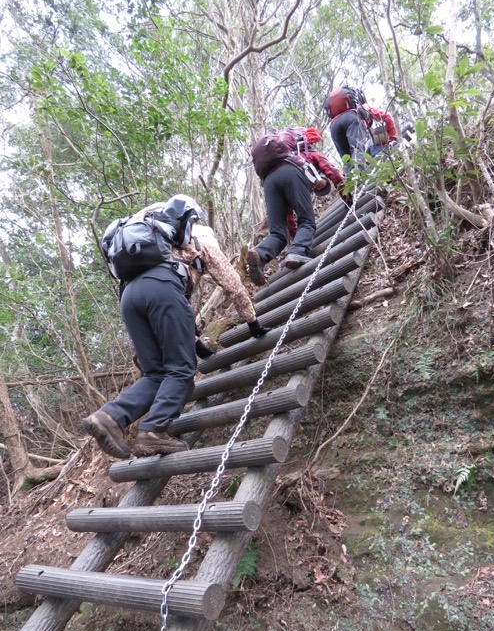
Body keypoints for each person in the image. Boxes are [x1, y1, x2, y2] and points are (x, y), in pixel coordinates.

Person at [84, 194, 269, 459]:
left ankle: (111, 417)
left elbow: (176, 311)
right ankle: (153, 431)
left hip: (129, 296)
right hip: (161, 290)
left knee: (155, 373)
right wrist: (253, 323)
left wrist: (195, 342)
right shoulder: (202, 241)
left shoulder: (157, 245)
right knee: (181, 369)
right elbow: (234, 286)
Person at [246, 127, 348, 287]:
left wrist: (295, 239)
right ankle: (297, 252)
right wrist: (347, 196)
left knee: (278, 233)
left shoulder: (285, 148)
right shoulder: (306, 150)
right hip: (290, 171)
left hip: (269, 182)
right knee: (307, 221)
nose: (315, 188)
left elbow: (288, 218)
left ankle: (259, 254)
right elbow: (333, 171)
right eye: (318, 188)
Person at [323, 86, 397, 173]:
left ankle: (349, 181)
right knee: (357, 148)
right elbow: (387, 116)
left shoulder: (336, 117)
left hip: (334, 127)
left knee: (347, 159)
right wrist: (391, 138)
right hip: (351, 119)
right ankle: (359, 179)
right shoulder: (363, 107)